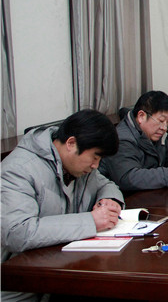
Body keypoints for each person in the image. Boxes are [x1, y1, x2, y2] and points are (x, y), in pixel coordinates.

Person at [2, 110, 123, 300]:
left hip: (63, 274)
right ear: (71, 143)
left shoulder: (77, 166)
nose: (95, 165)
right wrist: (90, 221)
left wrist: (109, 200)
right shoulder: (19, 170)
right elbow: (17, 232)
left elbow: (106, 185)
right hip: (20, 287)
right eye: (95, 157)